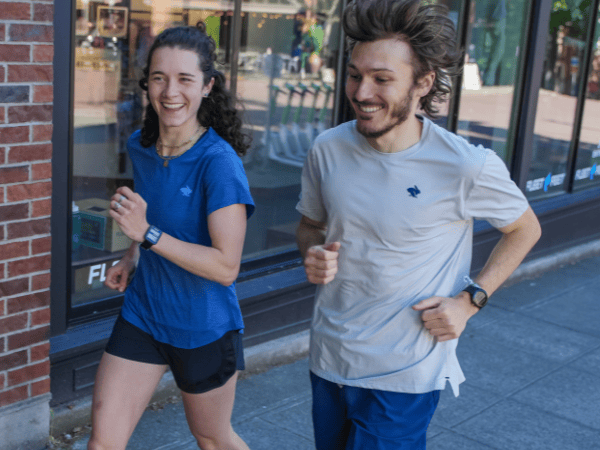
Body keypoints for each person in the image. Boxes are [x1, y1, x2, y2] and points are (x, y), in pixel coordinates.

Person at [295, 1, 542, 449]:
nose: (362, 92)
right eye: (355, 75)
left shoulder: (465, 164)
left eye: (382, 79)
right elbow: (311, 226)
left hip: (405, 370)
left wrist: (469, 302)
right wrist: (311, 253)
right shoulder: (327, 149)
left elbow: (525, 229)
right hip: (329, 355)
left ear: (423, 82)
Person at [88, 24, 254, 450]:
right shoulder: (140, 146)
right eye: (159, 77)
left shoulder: (219, 164)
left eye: (185, 79)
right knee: (103, 442)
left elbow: (225, 267)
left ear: (207, 86)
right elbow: (150, 218)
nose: (170, 91)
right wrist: (132, 255)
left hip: (203, 328)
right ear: (148, 83)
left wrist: (148, 234)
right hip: (143, 316)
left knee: (212, 438)